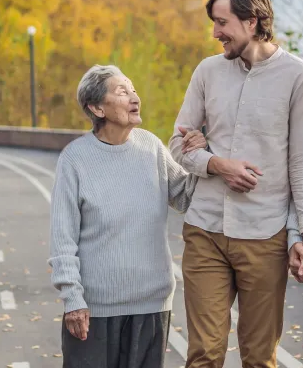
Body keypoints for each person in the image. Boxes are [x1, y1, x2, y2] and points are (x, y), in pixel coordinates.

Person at [168, 0, 303, 368]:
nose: (215, 33)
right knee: (203, 354)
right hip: (205, 230)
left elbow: (301, 164)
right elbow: (176, 145)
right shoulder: (207, 72)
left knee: (258, 358)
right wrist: (217, 164)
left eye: (222, 23)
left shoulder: (298, 77)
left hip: (265, 235)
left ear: (252, 21)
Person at [48, 64, 197, 368]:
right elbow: (63, 239)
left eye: (133, 90)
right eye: (122, 91)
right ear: (97, 108)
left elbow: (185, 196)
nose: (134, 97)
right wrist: (73, 300)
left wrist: (197, 157)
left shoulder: (151, 147)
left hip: (152, 304)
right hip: (94, 310)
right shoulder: (75, 159)